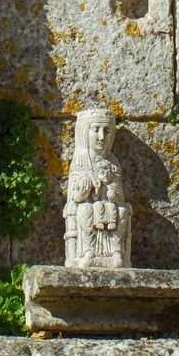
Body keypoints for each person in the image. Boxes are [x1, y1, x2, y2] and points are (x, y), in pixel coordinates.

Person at [64, 108, 132, 268]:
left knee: (122, 211)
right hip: (88, 207)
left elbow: (120, 195)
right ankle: (88, 251)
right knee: (84, 210)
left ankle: (115, 252)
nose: (102, 137)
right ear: (85, 132)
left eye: (107, 131)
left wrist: (112, 190)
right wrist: (85, 188)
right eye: (96, 130)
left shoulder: (113, 162)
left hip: (109, 207)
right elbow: (74, 196)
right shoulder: (80, 161)